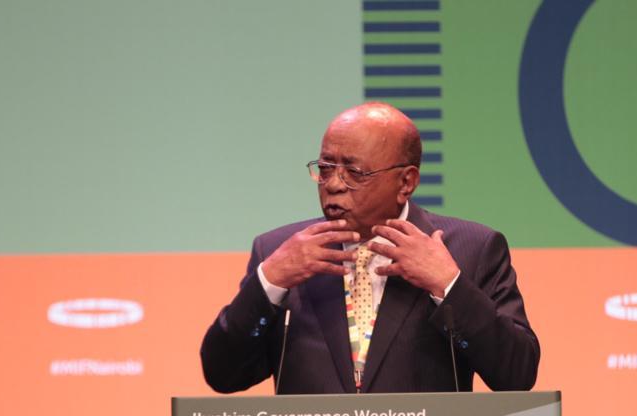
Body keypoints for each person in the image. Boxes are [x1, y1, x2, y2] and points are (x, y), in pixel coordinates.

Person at [201, 102, 539, 394]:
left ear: (406, 182)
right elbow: (223, 376)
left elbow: (517, 376)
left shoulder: (471, 249)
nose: (333, 185)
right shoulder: (280, 252)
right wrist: (269, 284)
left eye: (354, 172)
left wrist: (449, 286)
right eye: (326, 168)